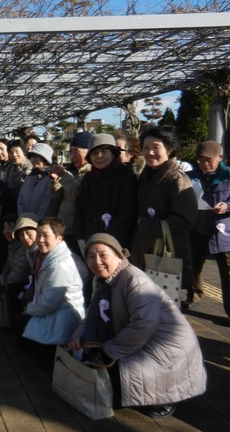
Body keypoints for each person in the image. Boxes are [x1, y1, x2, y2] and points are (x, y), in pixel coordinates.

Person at [68, 234, 206, 418]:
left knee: (111, 386)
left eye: (103, 255)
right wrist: (78, 336)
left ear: (118, 256)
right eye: (91, 256)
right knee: (97, 373)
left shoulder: (136, 281)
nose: (97, 261)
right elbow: (92, 314)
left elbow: (143, 325)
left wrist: (110, 350)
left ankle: (165, 398)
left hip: (166, 349)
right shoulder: (103, 281)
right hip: (140, 341)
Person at [130, 126, 197, 295]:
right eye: (146, 148)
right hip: (142, 252)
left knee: (165, 305)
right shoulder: (145, 177)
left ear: (169, 149)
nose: (150, 152)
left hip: (166, 253)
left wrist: (147, 224)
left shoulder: (178, 179)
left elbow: (185, 219)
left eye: (156, 147)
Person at [12, 218, 85, 358]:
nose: (40, 240)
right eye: (38, 234)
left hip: (61, 320)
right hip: (53, 314)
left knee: (18, 324)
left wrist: (30, 309)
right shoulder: (47, 256)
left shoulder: (59, 264)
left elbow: (48, 303)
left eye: (45, 235)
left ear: (58, 238)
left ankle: (50, 353)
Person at [74, 134, 138, 254]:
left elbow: (126, 214)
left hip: (117, 245)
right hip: (90, 243)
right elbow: (80, 207)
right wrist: (80, 237)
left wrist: (106, 242)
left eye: (104, 151)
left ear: (113, 153)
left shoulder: (126, 177)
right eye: (94, 153)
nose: (99, 156)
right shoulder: (88, 178)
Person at [185, 141, 230, 314]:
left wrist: (227, 206)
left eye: (209, 160)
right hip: (197, 227)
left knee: (227, 272)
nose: (205, 164)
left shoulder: (227, 176)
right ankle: (193, 296)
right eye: (201, 160)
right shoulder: (189, 176)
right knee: (194, 265)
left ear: (220, 157)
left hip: (223, 232)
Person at [49, 131, 92, 255]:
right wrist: (54, 181)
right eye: (71, 151)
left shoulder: (90, 173)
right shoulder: (71, 171)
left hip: (77, 232)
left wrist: (64, 176)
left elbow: (79, 196)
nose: (72, 156)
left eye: (76, 151)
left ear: (88, 151)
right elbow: (55, 196)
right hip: (63, 229)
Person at [0, 212, 39, 315]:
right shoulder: (23, 249)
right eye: (22, 234)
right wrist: (0, 279)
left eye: (28, 233)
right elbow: (7, 268)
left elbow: (19, 273)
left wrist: (1, 281)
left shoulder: (35, 250)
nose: (25, 237)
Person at [18, 143, 60, 218]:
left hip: (42, 224)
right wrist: (22, 217)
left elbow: (47, 204)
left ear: (46, 159)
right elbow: (20, 198)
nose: (33, 160)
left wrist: (38, 221)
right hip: (25, 222)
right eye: (32, 157)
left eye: (38, 157)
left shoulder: (51, 178)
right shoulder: (29, 177)